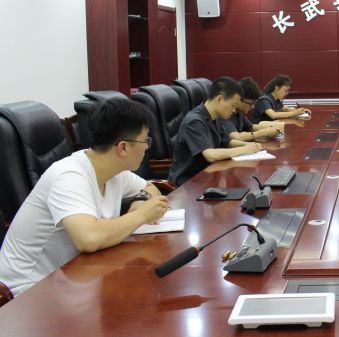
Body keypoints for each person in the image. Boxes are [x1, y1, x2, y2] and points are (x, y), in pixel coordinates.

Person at [0, 98, 170, 296]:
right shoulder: (69, 176)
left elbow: (151, 188)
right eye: (146, 140)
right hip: (25, 291)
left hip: (72, 278)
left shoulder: (114, 170)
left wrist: (140, 201)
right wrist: (140, 215)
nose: (147, 147)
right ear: (123, 148)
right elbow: (89, 238)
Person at [169, 76, 261, 186]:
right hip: (187, 184)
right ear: (219, 99)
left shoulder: (215, 118)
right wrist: (243, 149)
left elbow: (226, 141)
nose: (233, 110)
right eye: (233, 105)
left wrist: (250, 146)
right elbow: (210, 155)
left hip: (208, 176)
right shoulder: (194, 121)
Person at [219, 77, 284, 145]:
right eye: (250, 104)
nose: (252, 107)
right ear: (238, 99)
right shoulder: (224, 113)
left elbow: (251, 127)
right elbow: (235, 137)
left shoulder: (239, 112)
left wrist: (271, 127)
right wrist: (263, 132)